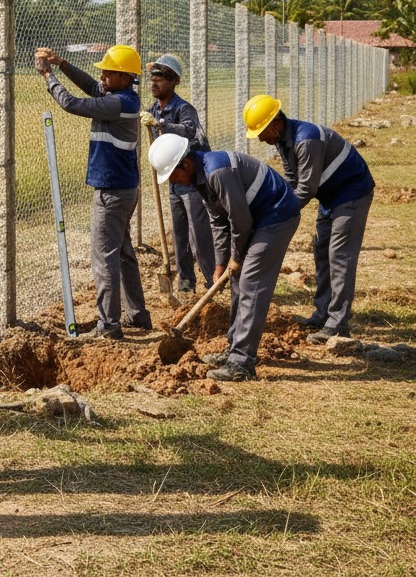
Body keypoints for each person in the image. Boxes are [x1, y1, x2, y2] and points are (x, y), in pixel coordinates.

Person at [148, 132, 302, 381]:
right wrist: (221, 263)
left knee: (251, 282)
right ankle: (234, 350)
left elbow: (239, 220)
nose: (174, 183)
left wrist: (237, 256)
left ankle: (242, 363)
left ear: (185, 164)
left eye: (174, 176)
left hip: (277, 215)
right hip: (257, 219)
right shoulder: (199, 179)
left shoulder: (217, 171)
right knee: (236, 281)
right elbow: (219, 222)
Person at [34, 44, 151, 339]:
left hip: (111, 192)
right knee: (122, 253)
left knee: (104, 257)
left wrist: (48, 75)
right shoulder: (122, 97)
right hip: (124, 189)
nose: (101, 75)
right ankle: (137, 315)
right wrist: (62, 63)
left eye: (108, 72)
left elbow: (72, 104)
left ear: (125, 78)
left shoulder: (117, 103)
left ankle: (109, 326)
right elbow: (89, 85)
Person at [244, 94, 375, 344]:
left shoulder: (306, 139)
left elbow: (306, 189)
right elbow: (292, 180)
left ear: (276, 123)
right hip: (330, 197)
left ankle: (338, 324)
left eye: (261, 131)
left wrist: (278, 216)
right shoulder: (284, 142)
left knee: (340, 256)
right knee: (321, 251)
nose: (260, 138)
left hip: (351, 193)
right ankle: (323, 313)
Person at [142, 53, 216, 292]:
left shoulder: (183, 108)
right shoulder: (153, 109)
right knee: (180, 233)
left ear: (174, 81)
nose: (154, 82)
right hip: (173, 180)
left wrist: (160, 125)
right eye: (152, 77)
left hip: (192, 178)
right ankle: (185, 280)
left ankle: (212, 279)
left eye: (161, 77)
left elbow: (190, 131)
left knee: (199, 234)